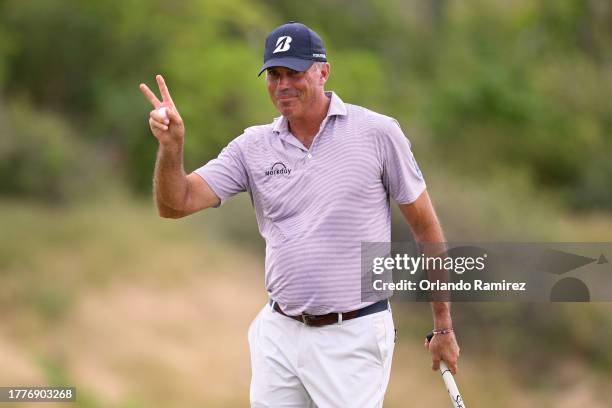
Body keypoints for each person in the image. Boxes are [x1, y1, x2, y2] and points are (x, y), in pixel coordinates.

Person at [140, 21, 460, 408]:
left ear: (323, 71)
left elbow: (425, 227)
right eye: (274, 74)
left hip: (353, 334)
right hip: (280, 332)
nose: (283, 85)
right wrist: (172, 147)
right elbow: (175, 204)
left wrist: (443, 326)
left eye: (294, 72)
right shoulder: (252, 146)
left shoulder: (378, 133)